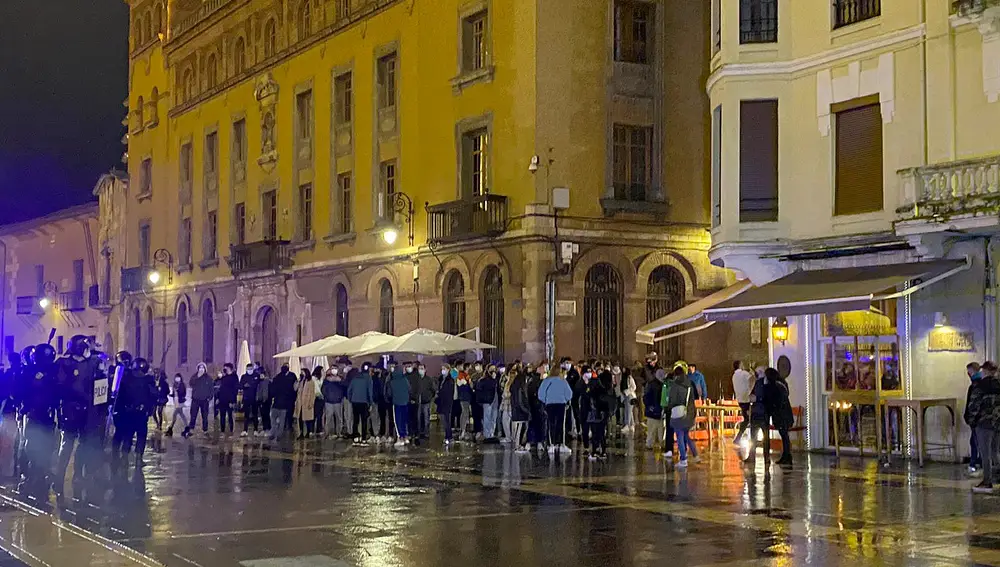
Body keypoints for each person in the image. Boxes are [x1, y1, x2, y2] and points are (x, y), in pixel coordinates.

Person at [54, 339, 109, 493]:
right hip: (70, 411)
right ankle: (59, 478)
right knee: (67, 446)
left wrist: (102, 408)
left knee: (83, 445)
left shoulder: (94, 363)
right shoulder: (64, 364)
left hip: (88, 412)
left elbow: (101, 387)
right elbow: (60, 386)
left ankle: (79, 475)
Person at [19, 343, 59, 495]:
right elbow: (24, 391)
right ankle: (30, 473)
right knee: (30, 446)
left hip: (47, 414)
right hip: (33, 414)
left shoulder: (53, 373)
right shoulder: (28, 372)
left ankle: (43, 472)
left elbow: (57, 391)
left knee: (48, 446)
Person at [112, 357, 157, 467]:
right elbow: (154, 396)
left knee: (128, 435)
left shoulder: (127, 379)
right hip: (140, 414)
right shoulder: (147, 380)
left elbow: (120, 396)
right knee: (140, 436)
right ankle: (138, 459)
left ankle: (125, 457)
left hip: (130, 413)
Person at [965, 361, 1000, 493]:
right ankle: (996, 477)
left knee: (985, 454)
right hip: (997, 423)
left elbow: (974, 406)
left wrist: (972, 421)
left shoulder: (980, 386)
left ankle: (987, 482)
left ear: (984, 371)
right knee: (995, 452)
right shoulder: (999, 385)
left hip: (983, 423)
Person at [664, 366, 698, 467]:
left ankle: (683, 459)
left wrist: (668, 408)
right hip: (689, 412)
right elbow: (694, 398)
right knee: (686, 435)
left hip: (678, 413)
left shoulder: (675, 385)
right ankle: (695, 455)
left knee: (679, 435)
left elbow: (672, 400)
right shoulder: (689, 384)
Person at [538, 365, 573, 454]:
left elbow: (541, 393)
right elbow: (569, 393)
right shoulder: (563, 381)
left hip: (550, 404)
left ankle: (552, 445)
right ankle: (561, 444)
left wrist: (545, 400)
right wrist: (565, 400)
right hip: (561, 404)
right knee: (561, 425)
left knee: (551, 424)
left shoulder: (547, 381)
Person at [765, 368, 794, 466]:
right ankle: (786, 456)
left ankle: (787, 456)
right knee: (785, 435)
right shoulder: (782, 383)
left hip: (781, 414)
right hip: (785, 413)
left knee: (784, 435)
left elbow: (775, 400)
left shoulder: (775, 386)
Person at [588, 371, 613, 461]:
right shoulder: (609, 388)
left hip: (596, 412)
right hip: (605, 412)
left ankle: (594, 451)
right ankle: (603, 451)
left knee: (595, 432)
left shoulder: (597, 387)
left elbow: (592, 398)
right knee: (602, 432)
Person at [346, 363, 374, 445]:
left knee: (356, 420)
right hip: (364, 402)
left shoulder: (355, 378)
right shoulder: (368, 379)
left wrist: (351, 399)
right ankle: (364, 439)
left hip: (355, 402)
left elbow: (349, 390)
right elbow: (370, 392)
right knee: (364, 421)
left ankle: (355, 438)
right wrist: (370, 403)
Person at [268, 364, 297, 441]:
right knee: (282, 420)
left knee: (274, 419)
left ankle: (273, 432)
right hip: (285, 403)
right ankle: (279, 435)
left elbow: (272, 390)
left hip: (277, 402)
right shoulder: (291, 377)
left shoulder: (277, 377)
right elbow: (294, 389)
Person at [387, 363, 411, 446]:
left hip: (396, 402)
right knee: (404, 420)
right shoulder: (405, 380)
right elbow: (409, 389)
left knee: (397, 421)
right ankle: (405, 436)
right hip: (405, 402)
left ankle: (400, 438)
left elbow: (389, 393)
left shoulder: (392, 382)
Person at [187, 363, 213, 436]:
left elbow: (211, 389)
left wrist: (209, 397)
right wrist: (197, 377)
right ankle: (191, 428)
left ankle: (205, 429)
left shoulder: (208, 378)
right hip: (195, 399)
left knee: (205, 415)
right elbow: (191, 383)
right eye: (200, 368)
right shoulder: (195, 376)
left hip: (205, 400)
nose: (201, 369)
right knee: (193, 415)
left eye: (203, 368)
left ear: (205, 369)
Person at [644, 368, 666, 450]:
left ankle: (649, 444)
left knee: (651, 430)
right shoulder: (663, 385)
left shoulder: (650, 384)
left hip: (652, 411)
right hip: (658, 410)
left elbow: (646, 397)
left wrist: (649, 407)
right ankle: (662, 444)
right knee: (661, 429)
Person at [968, 362, 984, 476]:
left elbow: (973, 404)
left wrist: (970, 417)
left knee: (976, 442)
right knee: (975, 441)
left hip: (977, 419)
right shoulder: (981, 383)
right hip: (979, 419)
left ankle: (974, 464)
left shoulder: (976, 385)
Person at [732, 360, 753, 444]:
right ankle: (740, 437)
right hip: (747, 399)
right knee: (749, 419)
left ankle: (739, 437)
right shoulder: (743, 373)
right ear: (740, 365)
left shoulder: (734, 376)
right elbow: (752, 378)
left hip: (740, 400)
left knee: (746, 419)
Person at [322, 367, 347, 439]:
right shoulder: (326, 380)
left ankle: (339, 433)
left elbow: (344, 387)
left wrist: (340, 380)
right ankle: (327, 433)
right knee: (328, 419)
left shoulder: (340, 379)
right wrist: (326, 397)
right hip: (329, 402)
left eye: (335, 369)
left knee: (339, 418)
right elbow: (323, 390)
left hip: (338, 402)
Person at [477, 365, 499, 441]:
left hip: (495, 400)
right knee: (487, 417)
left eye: (494, 368)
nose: (493, 370)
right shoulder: (484, 380)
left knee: (494, 417)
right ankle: (487, 434)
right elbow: (481, 389)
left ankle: (491, 433)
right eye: (491, 369)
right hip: (487, 400)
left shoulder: (497, 378)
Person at [437, 366, 458, 446]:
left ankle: (449, 436)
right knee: (443, 419)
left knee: (446, 420)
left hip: (447, 401)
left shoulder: (450, 379)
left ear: (448, 370)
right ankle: (448, 436)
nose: (443, 370)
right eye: (442, 369)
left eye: (444, 369)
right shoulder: (441, 379)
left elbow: (449, 391)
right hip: (441, 401)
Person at [218, 363, 239, 436]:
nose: (224, 369)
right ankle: (222, 431)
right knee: (222, 416)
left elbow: (235, 390)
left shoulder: (234, 377)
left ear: (229, 368)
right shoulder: (224, 377)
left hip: (230, 400)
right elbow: (220, 388)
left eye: (225, 368)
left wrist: (232, 401)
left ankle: (231, 430)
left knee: (230, 416)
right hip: (222, 399)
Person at [239, 364, 260, 437]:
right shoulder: (244, 376)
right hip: (246, 398)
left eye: (250, 368)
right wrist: (244, 386)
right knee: (246, 415)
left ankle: (256, 430)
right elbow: (240, 385)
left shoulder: (257, 376)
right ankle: (245, 430)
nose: (249, 370)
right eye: (248, 369)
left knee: (255, 414)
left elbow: (258, 384)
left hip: (255, 398)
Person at [166, 373, 189, 437]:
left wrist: (178, 393)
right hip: (176, 402)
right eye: (176, 377)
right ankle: (187, 427)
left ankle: (170, 429)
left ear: (180, 378)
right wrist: (171, 395)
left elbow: (183, 393)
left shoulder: (182, 385)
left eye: (178, 377)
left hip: (180, 402)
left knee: (175, 415)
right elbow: (174, 393)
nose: (177, 379)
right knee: (181, 414)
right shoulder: (174, 385)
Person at [294, 369, 315, 439]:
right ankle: (301, 433)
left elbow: (312, 393)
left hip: (307, 402)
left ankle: (308, 432)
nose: (301, 374)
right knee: (300, 418)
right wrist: (298, 381)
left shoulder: (310, 382)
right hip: (300, 403)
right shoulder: (301, 381)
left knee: (307, 419)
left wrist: (311, 403)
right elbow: (295, 389)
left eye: (302, 372)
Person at [618, 365, 637, 434]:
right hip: (625, 395)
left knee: (628, 411)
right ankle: (632, 424)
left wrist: (627, 391)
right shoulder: (623, 378)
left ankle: (627, 425)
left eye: (624, 369)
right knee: (629, 411)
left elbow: (634, 387)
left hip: (629, 396)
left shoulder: (629, 378)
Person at [456, 367, 474, 441]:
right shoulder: (460, 375)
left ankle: (463, 430)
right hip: (464, 397)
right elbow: (464, 387)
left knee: (464, 414)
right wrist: (467, 383)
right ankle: (463, 431)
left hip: (465, 397)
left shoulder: (466, 376)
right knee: (465, 413)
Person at [257, 368, 272, 436]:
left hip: (265, 401)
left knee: (265, 415)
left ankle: (267, 428)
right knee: (264, 415)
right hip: (263, 400)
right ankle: (266, 428)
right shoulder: (261, 382)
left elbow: (265, 392)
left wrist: (263, 400)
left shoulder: (266, 382)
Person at [311, 367, 325, 436]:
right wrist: (320, 395)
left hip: (321, 399)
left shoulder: (321, 378)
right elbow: (316, 389)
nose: (323, 371)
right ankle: (312, 429)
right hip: (316, 398)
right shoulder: (313, 378)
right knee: (314, 414)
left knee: (320, 414)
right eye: (322, 370)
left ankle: (319, 429)